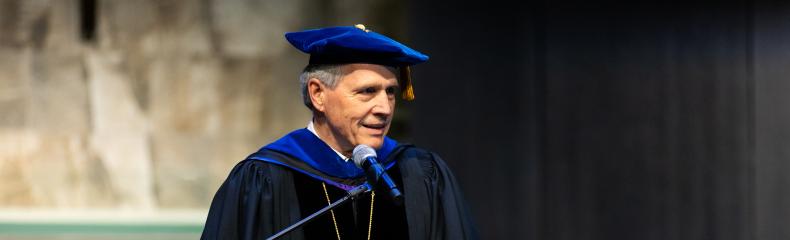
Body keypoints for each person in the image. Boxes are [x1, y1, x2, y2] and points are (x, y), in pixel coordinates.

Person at [201, 24, 478, 240]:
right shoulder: (263, 179)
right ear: (318, 94)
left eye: (391, 92)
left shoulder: (419, 173)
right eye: (367, 91)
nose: (384, 108)